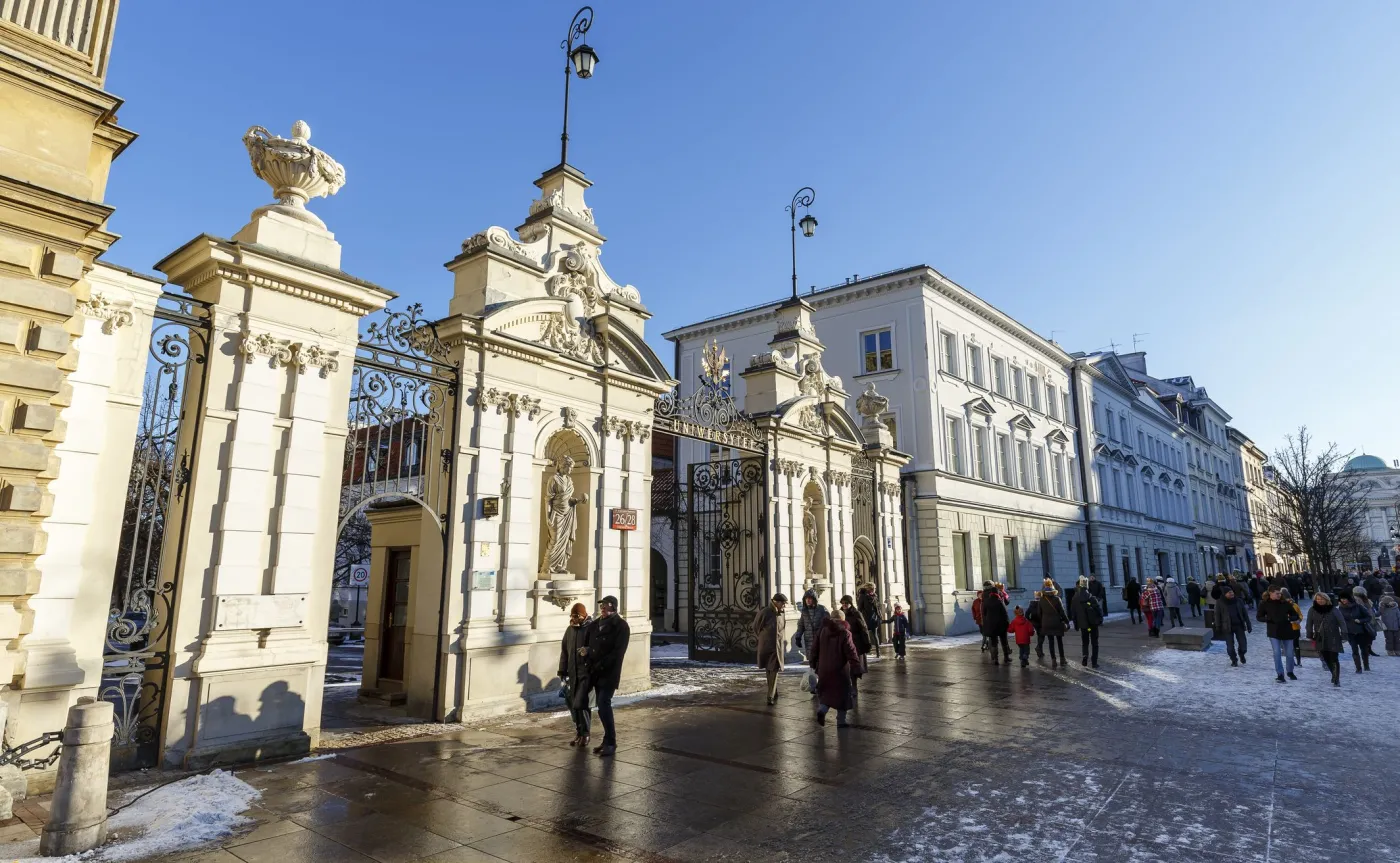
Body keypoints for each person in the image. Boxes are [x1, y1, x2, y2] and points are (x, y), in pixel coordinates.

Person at [586, 595, 630, 756]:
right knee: (600, 704)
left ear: (614, 607)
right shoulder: (596, 624)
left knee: (604, 704)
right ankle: (606, 740)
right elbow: (589, 643)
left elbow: (618, 652)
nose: (603, 608)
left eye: (606, 605)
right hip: (595, 671)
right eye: (601, 605)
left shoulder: (621, 626)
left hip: (609, 672)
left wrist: (601, 663)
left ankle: (611, 742)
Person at [810, 610, 858, 727]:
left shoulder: (822, 631)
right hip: (840, 670)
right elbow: (851, 651)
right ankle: (841, 721)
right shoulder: (845, 633)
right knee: (843, 694)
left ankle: (822, 710)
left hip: (824, 668)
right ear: (842, 619)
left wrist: (813, 663)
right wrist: (856, 665)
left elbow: (814, 649)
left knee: (826, 693)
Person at [558, 602, 594, 747]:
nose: (575, 618)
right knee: (574, 704)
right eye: (573, 615)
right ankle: (579, 732)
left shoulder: (590, 629)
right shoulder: (570, 630)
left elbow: (596, 648)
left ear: (584, 615)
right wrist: (562, 670)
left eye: (577, 615)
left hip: (586, 674)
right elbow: (564, 652)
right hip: (573, 674)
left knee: (582, 704)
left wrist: (589, 651)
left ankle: (586, 734)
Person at [1256, 586, 1298, 682]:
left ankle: (1290, 671)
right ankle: (1280, 674)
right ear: (1270, 593)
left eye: (1280, 593)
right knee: (1277, 653)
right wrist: (1268, 619)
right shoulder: (1264, 603)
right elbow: (1259, 617)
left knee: (1290, 654)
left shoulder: (1286, 603)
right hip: (1273, 631)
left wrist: (1289, 618)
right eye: (1277, 593)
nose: (1279, 595)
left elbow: (1295, 615)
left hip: (1287, 630)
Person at [753, 593, 788, 706]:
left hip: (777, 646)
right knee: (769, 669)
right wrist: (764, 637)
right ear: (776, 602)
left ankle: (771, 695)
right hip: (767, 646)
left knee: (774, 669)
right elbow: (756, 626)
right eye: (782, 603)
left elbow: (782, 628)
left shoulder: (781, 613)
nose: (784, 606)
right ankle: (772, 693)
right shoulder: (765, 612)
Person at [1305, 592, 1344, 686]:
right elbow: (1309, 623)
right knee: (1326, 658)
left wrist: (1344, 635)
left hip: (1333, 636)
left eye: (1322, 599)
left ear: (1326, 600)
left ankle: (1336, 679)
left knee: (1334, 658)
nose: (1320, 601)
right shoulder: (1312, 610)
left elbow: (1342, 622)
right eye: (1318, 599)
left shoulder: (1334, 610)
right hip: (1320, 637)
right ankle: (1333, 674)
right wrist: (1309, 635)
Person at [1211, 580, 1251, 667]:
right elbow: (1217, 615)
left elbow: (1245, 614)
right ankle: (1234, 659)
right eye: (1229, 593)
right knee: (1230, 647)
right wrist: (1218, 626)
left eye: (1232, 592)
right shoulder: (1220, 602)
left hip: (1239, 625)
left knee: (1243, 645)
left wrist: (1248, 624)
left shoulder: (1238, 601)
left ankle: (1241, 654)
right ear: (1225, 594)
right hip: (1227, 626)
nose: (1231, 594)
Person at [839, 595, 872, 696]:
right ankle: (846, 686)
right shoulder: (839, 614)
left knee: (854, 666)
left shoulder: (856, 613)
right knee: (844, 666)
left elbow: (864, 628)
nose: (844, 605)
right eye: (843, 603)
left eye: (846, 603)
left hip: (855, 643)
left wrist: (867, 643)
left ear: (850, 603)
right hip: (842, 643)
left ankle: (854, 686)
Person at [1071, 576, 1104, 668]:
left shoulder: (1074, 598)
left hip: (1083, 625)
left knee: (1085, 642)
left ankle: (1085, 657)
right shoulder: (1091, 597)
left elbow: (1073, 613)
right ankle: (1094, 662)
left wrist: (1076, 624)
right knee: (1094, 643)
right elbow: (1098, 610)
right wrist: (1100, 620)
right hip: (1092, 624)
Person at [1340, 590, 1375, 673]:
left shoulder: (1358, 606)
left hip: (1361, 632)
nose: (1343, 600)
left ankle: (1366, 665)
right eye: (1341, 599)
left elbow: (1368, 617)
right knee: (1354, 650)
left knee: (1364, 650)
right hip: (1350, 633)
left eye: (1345, 599)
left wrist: (1360, 620)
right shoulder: (1340, 609)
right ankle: (1358, 668)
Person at [1037, 587, 1069, 667]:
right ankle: (1062, 659)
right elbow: (1062, 612)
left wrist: (1043, 621)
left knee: (1051, 642)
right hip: (1057, 623)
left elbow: (1039, 613)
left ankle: (1053, 661)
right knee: (1059, 642)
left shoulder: (1041, 600)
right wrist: (1067, 621)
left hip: (1046, 624)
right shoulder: (1057, 599)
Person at [980, 583, 1011, 665]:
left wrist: (986, 623)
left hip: (991, 625)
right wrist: (1008, 622)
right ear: (997, 593)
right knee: (1004, 641)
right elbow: (1005, 613)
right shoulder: (1000, 601)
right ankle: (1006, 657)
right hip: (1001, 624)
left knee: (994, 642)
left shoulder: (986, 601)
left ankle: (995, 659)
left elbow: (984, 613)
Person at [798, 589, 829, 671]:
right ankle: (814, 679)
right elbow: (801, 625)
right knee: (812, 661)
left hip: (820, 639)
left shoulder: (822, 609)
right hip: (809, 640)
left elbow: (828, 623)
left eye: (810, 598)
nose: (808, 600)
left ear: (814, 599)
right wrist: (798, 637)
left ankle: (821, 678)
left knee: (821, 660)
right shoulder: (804, 611)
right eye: (806, 598)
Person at [1353, 588, 1383, 658]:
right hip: (1364, 620)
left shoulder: (1365, 599)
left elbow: (1370, 608)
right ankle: (1366, 650)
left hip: (1370, 619)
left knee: (1371, 635)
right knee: (1367, 635)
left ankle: (1369, 649)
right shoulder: (1357, 599)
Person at [857, 585, 883, 658]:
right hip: (865, 619)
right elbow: (859, 608)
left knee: (875, 635)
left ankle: (878, 653)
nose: (874, 590)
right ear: (868, 589)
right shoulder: (863, 596)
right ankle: (866, 651)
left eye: (874, 588)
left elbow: (877, 608)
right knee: (865, 635)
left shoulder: (874, 596)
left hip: (874, 619)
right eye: (872, 588)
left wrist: (879, 616)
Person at [972, 586, 987, 652]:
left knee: (984, 632)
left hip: (985, 620)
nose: (980, 596)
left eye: (981, 594)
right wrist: (974, 616)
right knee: (982, 632)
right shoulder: (975, 602)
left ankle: (983, 645)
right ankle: (986, 642)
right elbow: (973, 610)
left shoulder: (985, 601)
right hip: (979, 619)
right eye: (979, 595)